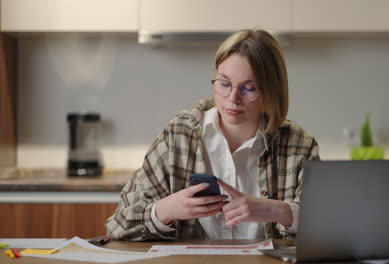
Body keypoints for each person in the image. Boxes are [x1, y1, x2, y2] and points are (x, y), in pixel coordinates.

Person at [105, 29, 320, 241]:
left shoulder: (299, 145)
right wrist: (166, 210)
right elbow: (118, 224)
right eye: (224, 84)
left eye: (249, 88)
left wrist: (279, 211)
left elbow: (332, 229)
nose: (232, 98)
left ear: (272, 91)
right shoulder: (180, 135)